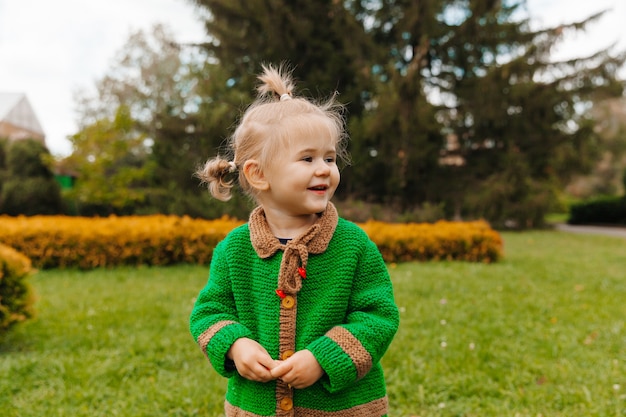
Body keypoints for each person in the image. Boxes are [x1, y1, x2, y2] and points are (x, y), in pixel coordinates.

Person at [189, 63, 399, 417]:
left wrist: (323, 357)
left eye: (329, 158)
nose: (324, 169)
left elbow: (378, 317)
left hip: (342, 409)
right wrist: (236, 345)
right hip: (257, 406)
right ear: (258, 174)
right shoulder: (235, 250)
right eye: (307, 158)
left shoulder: (353, 245)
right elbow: (209, 312)